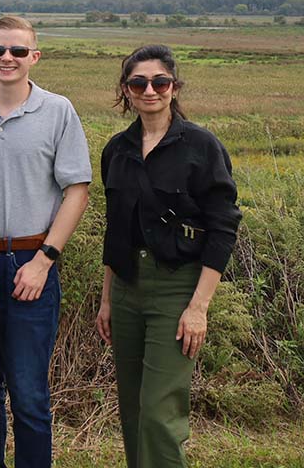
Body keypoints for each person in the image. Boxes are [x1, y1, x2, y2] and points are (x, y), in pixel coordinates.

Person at [0, 15, 92, 468]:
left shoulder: (57, 111)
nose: (6, 58)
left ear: (34, 56)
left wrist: (45, 259)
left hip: (29, 261)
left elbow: (77, 190)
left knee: (28, 392)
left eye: (17, 51)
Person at [95, 45, 241, 468]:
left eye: (160, 82)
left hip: (177, 287)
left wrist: (199, 307)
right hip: (126, 288)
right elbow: (115, 230)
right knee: (133, 408)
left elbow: (223, 226)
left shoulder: (201, 146)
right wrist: (107, 299)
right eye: (139, 83)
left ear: (174, 88)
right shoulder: (117, 150)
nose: (150, 91)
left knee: (160, 411)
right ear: (126, 90)